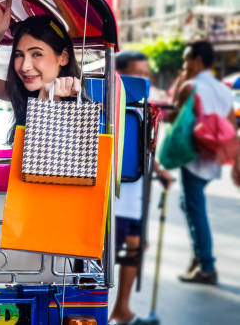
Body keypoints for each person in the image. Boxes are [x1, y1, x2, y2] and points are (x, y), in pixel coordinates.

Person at [0, 0, 82, 142]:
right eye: (19, 55)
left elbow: (41, 160)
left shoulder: (78, 103)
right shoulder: (27, 93)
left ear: (63, 57)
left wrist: (47, 101)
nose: (24, 66)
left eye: (37, 54)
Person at [109, 50, 173, 325]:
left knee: (134, 249)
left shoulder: (146, 109)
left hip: (136, 198)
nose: (144, 80)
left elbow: (143, 150)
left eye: (146, 74)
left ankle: (122, 309)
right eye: (138, 74)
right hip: (116, 197)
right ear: (120, 75)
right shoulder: (110, 105)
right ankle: (100, 311)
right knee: (110, 255)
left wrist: (159, 170)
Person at [172, 41, 238, 285]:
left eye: (186, 59)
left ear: (197, 60)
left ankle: (206, 265)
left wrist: (180, 82)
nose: (184, 64)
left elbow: (174, 117)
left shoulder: (191, 86)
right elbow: (231, 125)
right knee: (190, 204)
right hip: (213, 156)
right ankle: (199, 257)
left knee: (195, 209)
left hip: (193, 157)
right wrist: (235, 160)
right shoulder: (222, 88)